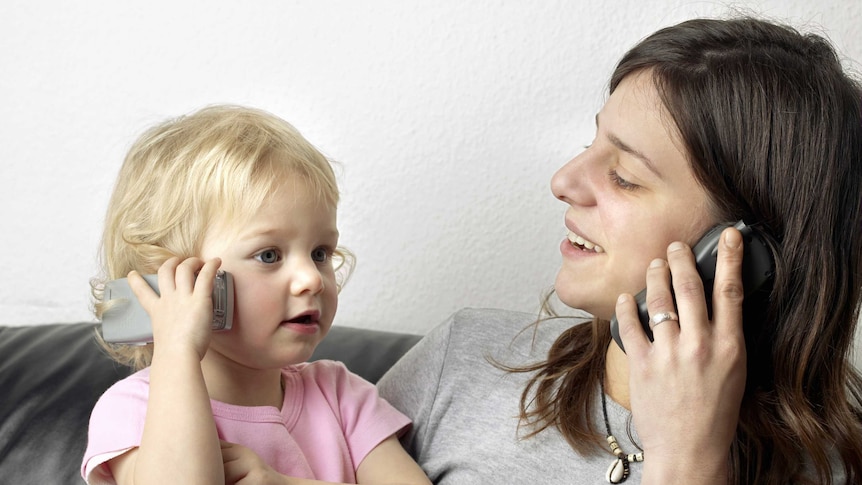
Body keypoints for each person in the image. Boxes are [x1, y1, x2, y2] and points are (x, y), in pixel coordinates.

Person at [378, 16, 862, 485]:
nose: (563, 182)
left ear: (744, 257)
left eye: (625, 177)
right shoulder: (462, 358)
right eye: (592, 142)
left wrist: (687, 464)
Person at [81, 105, 432, 485]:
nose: (311, 279)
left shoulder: (340, 395)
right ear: (182, 279)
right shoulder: (134, 409)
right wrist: (176, 349)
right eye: (269, 255)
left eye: (320, 253)